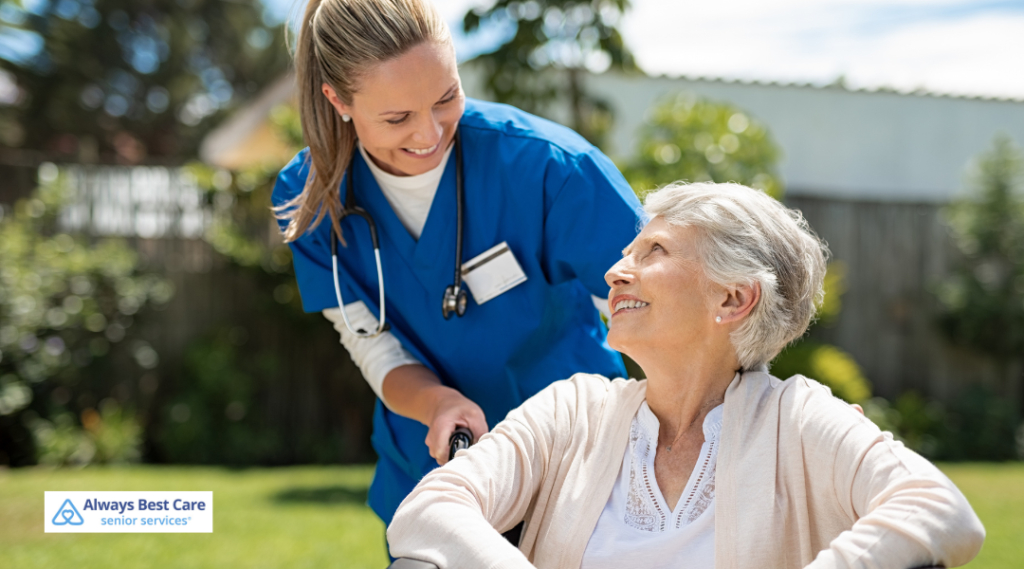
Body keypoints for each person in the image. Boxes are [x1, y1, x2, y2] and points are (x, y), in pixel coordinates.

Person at [387, 182, 986, 568]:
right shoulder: (573, 410)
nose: (617, 272)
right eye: (627, 253)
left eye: (654, 252)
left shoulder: (798, 419)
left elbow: (941, 510)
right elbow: (428, 510)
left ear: (732, 300)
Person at [271, 0, 642, 527]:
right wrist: (436, 405)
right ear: (338, 100)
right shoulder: (308, 199)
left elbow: (660, 317)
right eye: (397, 118)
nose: (429, 135)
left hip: (577, 465)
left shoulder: (552, 169)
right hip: (433, 475)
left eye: (447, 98)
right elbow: (371, 343)